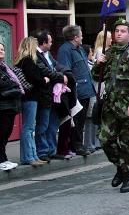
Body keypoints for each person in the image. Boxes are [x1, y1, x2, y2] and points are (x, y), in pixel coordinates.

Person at [92, 19, 129, 192]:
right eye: (116, 31)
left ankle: (127, 177)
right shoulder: (110, 52)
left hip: (127, 105)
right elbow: (96, 76)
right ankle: (120, 166)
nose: (119, 34)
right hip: (110, 105)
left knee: (126, 143)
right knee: (105, 139)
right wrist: (98, 64)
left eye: (123, 31)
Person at [56, 25, 94, 156]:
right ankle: (75, 145)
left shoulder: (80, 49)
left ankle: (78, 143)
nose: (82, 37)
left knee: (81, 120)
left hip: (86, 89)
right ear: (75, 37)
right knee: (75, 120)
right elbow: (65, 70)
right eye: (81, 35)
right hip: (76, 90)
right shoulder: (65, 50)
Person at [15, 37, 49, 167]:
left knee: (29, 127)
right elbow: (35, 78)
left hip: (29, 97)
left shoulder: (21, 61)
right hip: (30, 97)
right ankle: (29, 156)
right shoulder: (28, 61)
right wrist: (44, 80)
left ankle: (32, 155)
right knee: (28, 127)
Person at [34, 31, 66, 161]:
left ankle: (51, 150)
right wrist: (60, 77)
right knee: (43, 124)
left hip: (53, 94)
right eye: (50, 41)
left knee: (53, 124)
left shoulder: (48, 55)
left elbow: (57, 66)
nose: (52, 43)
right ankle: (42, 151)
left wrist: (66, 72)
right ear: (44, 43)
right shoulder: (36, 56)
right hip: (43, 95)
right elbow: (45, 71)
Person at [0, 41, 24, 170]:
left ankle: (3, 159)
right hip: (2, 107)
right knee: (2, 134)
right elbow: (4, 86)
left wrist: (12, 87)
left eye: (2, 49)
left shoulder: (5, 67)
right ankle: (1, 160)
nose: (1, 51)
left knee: (6, 134)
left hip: (10, 106)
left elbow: (15, 83)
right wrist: (13, 89)